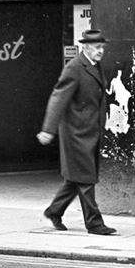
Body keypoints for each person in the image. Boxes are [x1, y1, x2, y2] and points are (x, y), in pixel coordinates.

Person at [37, 29, 116, 235]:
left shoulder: (95, 66)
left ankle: (54, 211)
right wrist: (48, 129)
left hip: (89, 130)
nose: (101, 51)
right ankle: (94, 223)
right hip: (75, 133)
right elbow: (58, 98)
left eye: (102, 48)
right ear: (85, 48)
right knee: (86, 179)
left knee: (77, 178)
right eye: (97, 48)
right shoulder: (74, 68)